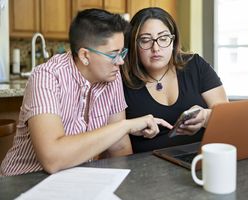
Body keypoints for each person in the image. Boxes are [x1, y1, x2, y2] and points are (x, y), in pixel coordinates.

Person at [0, 8, 171, 176]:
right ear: (84, 56)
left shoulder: (111, 75)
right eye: (113, 54)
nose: (120, 62)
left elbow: (118, 147)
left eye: (122, 53)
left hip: (76, 180)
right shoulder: (46, 77)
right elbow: (52, 159)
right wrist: (126, 126)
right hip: (24, 181)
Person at [121, 7, 228, 153]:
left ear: (173, 41)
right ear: (133, 44)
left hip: (200, 159)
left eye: (163, 38)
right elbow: (118, 144)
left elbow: (226, 119)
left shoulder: (195, 65)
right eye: (145, 40)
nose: (156, 48)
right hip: (147, 167)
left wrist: (205, 116)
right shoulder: (120, 79)